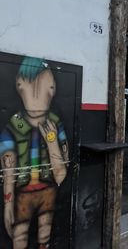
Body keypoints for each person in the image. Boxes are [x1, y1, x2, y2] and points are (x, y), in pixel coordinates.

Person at [0, 57, 69, 249]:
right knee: (19, 236)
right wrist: (8, 203)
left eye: (48, 88)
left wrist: (52, 142)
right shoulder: (14, 127)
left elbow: (61, 175)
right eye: (32, 86)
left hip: (48, 190)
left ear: (52, 90)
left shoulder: (55, 125)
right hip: (22, 194)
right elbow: (8, 166)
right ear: (19, 86)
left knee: (45, 235)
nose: (39, 95)